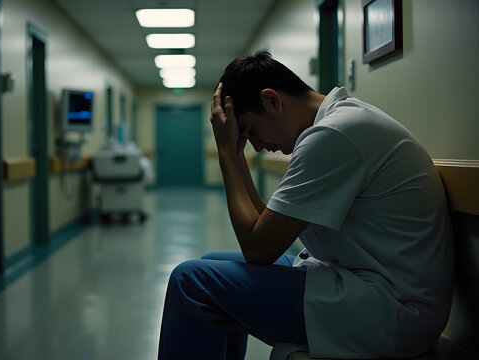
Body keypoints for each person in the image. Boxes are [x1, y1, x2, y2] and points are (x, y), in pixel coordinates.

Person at [157, 51, 454, 359]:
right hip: (360, 279)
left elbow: (258, 249)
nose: (257, 146)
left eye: (251, 131)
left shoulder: (334, 134)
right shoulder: (334, 126)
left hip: (392, 310)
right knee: (211, 261)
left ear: (272, 100)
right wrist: (234, 152)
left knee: (190, 281)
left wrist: (225, 155)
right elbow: (265, 226)